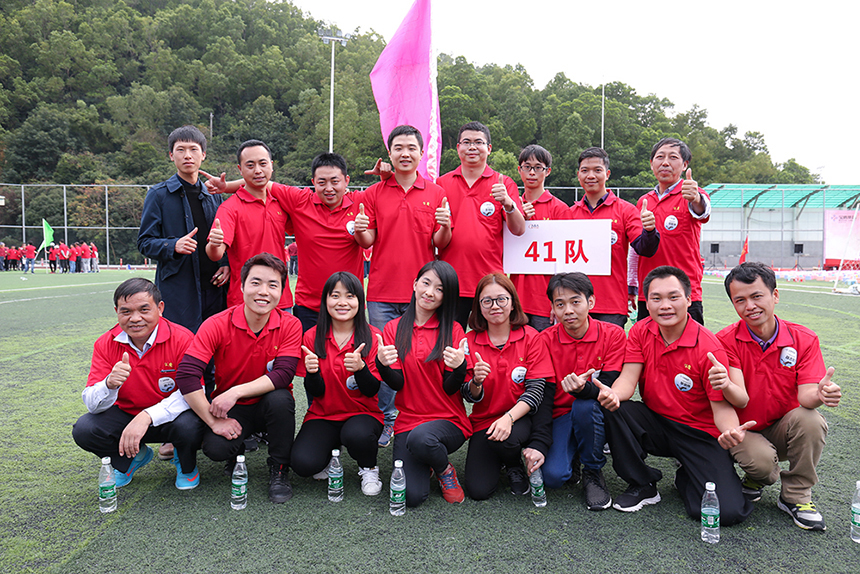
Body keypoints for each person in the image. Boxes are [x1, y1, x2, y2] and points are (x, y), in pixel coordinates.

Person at [596, 265, 753, 525]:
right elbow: (628, 379)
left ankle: (686, 477)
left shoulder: (709, 347)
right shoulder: (640, 330)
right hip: (658, 421)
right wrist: (613, 394)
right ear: (647, 302)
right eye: (656, 298)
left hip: (698, 433)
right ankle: (643, 483)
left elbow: (721, 407)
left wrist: (729, 431)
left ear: (689, 300)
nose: (665, 306)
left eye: (673, 297)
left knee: (725, 512)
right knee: (614, 408)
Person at [718, 262, 841, 531]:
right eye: (740, 300)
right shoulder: (724, 341)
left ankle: (796, 496)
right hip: (744, 430)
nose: (750, 306)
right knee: (762, 464)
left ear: (775, 295)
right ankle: (758, 477)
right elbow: (735, 398)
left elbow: (806, 398)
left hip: (782, 429)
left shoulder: (804, 339)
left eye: (757, 296)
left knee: (811, 419)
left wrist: (821, 394)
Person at [353, 125, 451, 447]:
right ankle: (387, 417)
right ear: (390, 153)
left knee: (418, 361)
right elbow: (367, 240)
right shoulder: (373, 193)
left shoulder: (436, 192)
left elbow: (440, 243)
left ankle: (420, 415)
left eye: (411, 148)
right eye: (398, 148)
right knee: (385, 359)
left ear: (421, 153)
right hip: (381, 293)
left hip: (421, 297)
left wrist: (446, 226)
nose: (405, 153)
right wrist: (360, 229)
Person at [176, 253, 302, 503]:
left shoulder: (290, 324)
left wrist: (235, 391)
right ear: (242, 286)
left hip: (266, 404)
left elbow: (283, 374)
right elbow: (187, 374)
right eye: (255, 283)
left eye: (272, 285)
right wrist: (213, 422)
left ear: (282, 291)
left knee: (281, 399)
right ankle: (237, 451)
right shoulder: (216, 324)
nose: (263, 291)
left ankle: (279, 469)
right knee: (216, 449)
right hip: (231, 409)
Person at [205, 151, 364, 333]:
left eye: (335, 181)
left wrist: (387, 174)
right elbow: (260, 181)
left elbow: (261, 180)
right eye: (322, 182)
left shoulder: (358, 201)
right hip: (293, 305)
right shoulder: (299, 200)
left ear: (346, 181)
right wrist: (226, 188)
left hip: (325, 302)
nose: (329, 188)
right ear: (313, 182)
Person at [71, 278, 204, 490]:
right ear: (116, 311)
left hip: (171, 419)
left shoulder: (183, 339)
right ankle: (131, 459)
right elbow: (92, 404)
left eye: (144, 310)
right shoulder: (105, 343)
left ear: (160, 308)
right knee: (85, 429)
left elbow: (196, 391)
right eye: (126, 311)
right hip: (126, 416)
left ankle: (186, 464)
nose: (135, 319)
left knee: (191, 425)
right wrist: (109, 384)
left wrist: (147, 415)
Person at [375, 261, 473, 506]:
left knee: (422, 439)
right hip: (409, 421)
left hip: (448, 420)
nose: (430, 292)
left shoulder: (454, 330)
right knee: (411, 497)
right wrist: (381, 365)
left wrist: (460, 367)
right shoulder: (394, 328)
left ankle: (444, 470)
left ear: (446, 297)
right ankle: (427, 458)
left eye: (440, 289)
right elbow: (397, 383)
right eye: (426, 283)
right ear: (415, 284)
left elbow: (450, 388)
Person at [292, 272, 384, 495]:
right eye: (335, 295)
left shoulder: (373, 337)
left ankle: (369, 468)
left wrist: (361, 369)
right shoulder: (312, 336)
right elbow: (316, 392)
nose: (342, 302)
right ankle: (330, 451)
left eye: (350, 296)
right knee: (303, 464)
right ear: (325, 300)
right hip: (324, 415)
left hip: (363, 414)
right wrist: (312, 373)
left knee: (357, 435)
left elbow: (372, 390)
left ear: (360, 302)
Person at [463, 273, 554, 500]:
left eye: (501, 299)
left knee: (508, 439)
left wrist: (508, 418)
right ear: (479, 307)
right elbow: (468, 395)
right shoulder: (469, 341)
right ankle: (504, 458)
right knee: (478, 491)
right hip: (484, 421)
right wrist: (476, 382)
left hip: (521, 418)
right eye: (487, 301)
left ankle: (513, 463)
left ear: (513, 303)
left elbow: (536, 392)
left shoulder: (531, 337)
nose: (495, 306)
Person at [540, 272, 626, 510]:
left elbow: (609, 384)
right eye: (560, 304)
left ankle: (592, 471)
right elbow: (544, 395)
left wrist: (584, 389)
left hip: (597, 413)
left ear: (591, 302)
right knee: (553, 477)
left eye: (575, 302)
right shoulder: (544, 340)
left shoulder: (613, 334)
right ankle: (575, 452)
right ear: (553, 308)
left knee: (585, 405)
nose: (568, 310)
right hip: (560, 415)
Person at [138, 125, 229, 332]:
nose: (187, 155)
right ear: (171, 155)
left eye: (193, 149)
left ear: (203, 155)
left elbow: (225, 238)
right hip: (179, 290)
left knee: (215, 344)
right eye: (181, 150)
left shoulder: (214, 195)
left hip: (215, 288)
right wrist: (173, 245)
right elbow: (144, 242)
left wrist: (225, 263)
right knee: (182, 344)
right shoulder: (158, 195)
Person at [437, 121, 526, 328]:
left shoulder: (504, 183)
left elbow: (519, 229)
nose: (472, 147)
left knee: (491, 340)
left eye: (478, 142)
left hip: (490, 282)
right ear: (458, 147)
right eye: (466, 142)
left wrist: (508, 203)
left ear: (489, 148)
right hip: (451, 280)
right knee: (449, 340)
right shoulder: (442, 183)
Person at [569, 147, 660, 327]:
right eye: (585, 170)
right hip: (574, 304)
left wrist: (649, 230)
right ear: (578, 175)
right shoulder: (569, 214)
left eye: (597, 170)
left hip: (611, 306)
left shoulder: (626, 210)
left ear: (607, 174)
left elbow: (645, 248)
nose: (590, 175)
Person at [204, 140, 293, 312]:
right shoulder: (229, 208)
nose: (257, 170)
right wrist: (214, 244)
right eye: (250, 165)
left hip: (281, 300)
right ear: (240, 169)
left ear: (271, 166)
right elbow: (215, 254)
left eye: (262, 164)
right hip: (244, 301)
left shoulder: (281, 203)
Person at [631, 138, 710, 325]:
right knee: (647, 342)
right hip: (650, 293)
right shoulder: (643, 201)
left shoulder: (691, 193)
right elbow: (636, 248)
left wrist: (696, 198)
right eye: (660, 157)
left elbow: (703, 210)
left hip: (684, 292)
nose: (665, 162)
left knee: (690, 343)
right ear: (651, 164)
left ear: (685, 165)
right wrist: (632, 285)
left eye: (673, 157)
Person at [509, 145, 572, 331]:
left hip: (544, 301)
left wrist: (559, 300)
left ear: (548, 171)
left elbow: (565, 261)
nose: (532, 172)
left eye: (538, 167)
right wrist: (518, 216)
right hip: (516, 298)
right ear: (519, 170)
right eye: (527, 167)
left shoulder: (560, 209)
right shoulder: (511, 207)